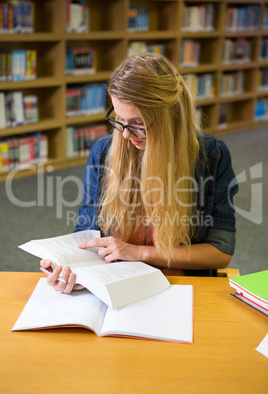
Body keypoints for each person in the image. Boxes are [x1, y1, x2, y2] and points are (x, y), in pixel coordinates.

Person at [41, 52, 239, 293]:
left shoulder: (211, 155)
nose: (125, 134)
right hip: (115, 283)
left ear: (172, 117)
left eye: (138, 124)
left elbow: (220, 251)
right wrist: (70, 268)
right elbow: (87, 233)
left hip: (179, 286)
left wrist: (141, 253)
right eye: (119, 119)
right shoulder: (104, 152)